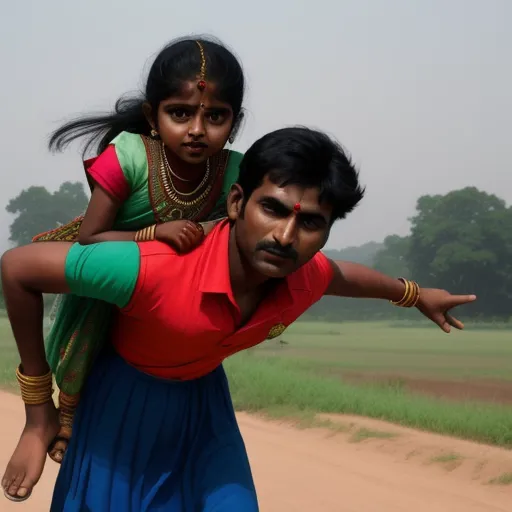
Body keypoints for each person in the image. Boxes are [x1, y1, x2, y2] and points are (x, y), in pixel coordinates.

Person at [1, 127, 476, 510]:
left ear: (326, 231)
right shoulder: (152, 268)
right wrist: (38, 413)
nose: (286, 236)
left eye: (310, 222)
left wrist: (414, 295)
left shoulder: (303, 275)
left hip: (205, 412)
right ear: (235, 203)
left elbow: (343, 277)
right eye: (271, 209)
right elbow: (17, 268)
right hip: (121, 407)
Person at [27, 35, 246, 467]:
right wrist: (153, 235)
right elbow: (91, 238)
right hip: (115, 261)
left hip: (176, 283)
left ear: (234, 122)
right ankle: (63, 417)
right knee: (87, 337)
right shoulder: (127, 156)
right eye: (179, 114)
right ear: (152, 115)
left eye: (215, 116)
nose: (197, 130)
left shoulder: (236, 171)